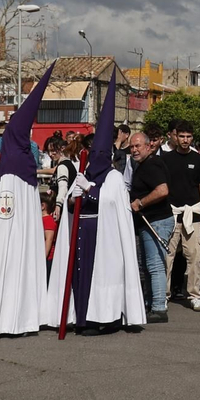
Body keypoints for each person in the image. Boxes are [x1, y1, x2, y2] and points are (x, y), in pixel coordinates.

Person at [43, 68, 145, 335]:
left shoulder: (113, 177)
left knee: (102, 276)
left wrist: (91, 191)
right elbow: (68, 202)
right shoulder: (84, 173)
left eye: (102, 153)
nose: (97, 158)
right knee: (80, 275)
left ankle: (107, 318)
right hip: (81, 232)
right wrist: (73, 197)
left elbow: (112, 204)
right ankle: (82, 317)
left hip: (103, 236)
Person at [0, 71, 55, 336]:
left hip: (10, 233)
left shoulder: (10, 162)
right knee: (25, 269)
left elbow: (1, 199)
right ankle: (27, 318)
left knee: (9, 268)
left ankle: (6, 321)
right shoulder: (27, 159)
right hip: (26, 233)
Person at [161, 119, 200, 313]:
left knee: (195, 256)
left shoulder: (199, 160)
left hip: (193, 214)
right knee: (167, 257)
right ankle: (162, 296)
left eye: (188, 136)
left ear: (192, 138)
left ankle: (195, 295)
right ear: (175, 136)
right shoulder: (166, 159)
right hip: (171, 214)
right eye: (181, 136)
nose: (185, 140)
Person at [128, 131, 172, 323]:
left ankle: (159, 307)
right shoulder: (142, 165)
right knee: (147, 265)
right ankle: (150, 302)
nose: (134, 150)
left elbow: (162, 190)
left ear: (148, 146)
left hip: (156, 220)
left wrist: (140, 203)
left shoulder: (152, 164)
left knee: (155, 265)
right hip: (147, 222)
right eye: (132, 147)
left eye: (138, 146)